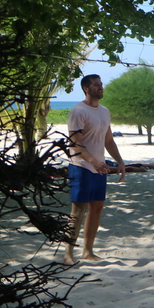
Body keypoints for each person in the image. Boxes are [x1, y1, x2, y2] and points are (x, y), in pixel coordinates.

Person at [65, 74, 124, 265]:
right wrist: (92, 161)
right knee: (78, 211)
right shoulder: (78, 111)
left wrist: (120, 161)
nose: (100, 87)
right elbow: (74, 143)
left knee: (97, 208)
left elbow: (108, 140)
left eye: (101, 84)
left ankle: (88, 251)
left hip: (99, 167)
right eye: (96, 85)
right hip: (80, 166)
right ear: (86, 89)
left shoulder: (104, 112)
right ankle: (68, 253)